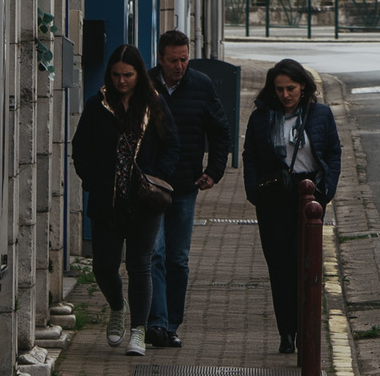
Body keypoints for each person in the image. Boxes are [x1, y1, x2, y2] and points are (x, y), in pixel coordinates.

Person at [69, 45, 181, 353]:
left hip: (145, 200)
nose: (122, 81)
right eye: (116, 75)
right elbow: (81, 148)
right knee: (104, 266)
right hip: (107, 200)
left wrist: (157, 175)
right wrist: (91, 180)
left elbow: (172, 145)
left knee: (139, 264)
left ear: (139, 75)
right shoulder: (98, 105)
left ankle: (138, 331)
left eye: (128, 75)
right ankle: (117, 308)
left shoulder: (154, 104)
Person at [243, 57, 342, 358]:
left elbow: (334, 153)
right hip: (273, 197)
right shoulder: (261, 117)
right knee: (279, 267)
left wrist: (325, 192)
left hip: (308, 195)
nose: (285, 95)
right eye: (280, 89)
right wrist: (253, 192)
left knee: (303, 265)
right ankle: (286, 332)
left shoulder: (321, 115)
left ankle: (304, 328)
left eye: (291, 89)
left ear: (303, 87)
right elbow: (250, 156)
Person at [142, 29, 234, 349]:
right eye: (173, 60)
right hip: (150, 188)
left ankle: (171, 323)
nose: (180, 66)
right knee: (155, 254)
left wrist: (214, 171)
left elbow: (221, 133)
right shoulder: (146, 87)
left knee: (177, 259)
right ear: (160, 59)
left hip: (184, 187)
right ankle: (156, 322)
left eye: (184, 59)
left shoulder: (201, 86)